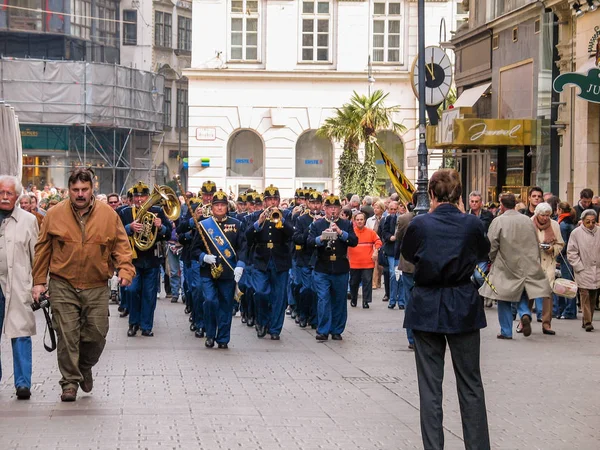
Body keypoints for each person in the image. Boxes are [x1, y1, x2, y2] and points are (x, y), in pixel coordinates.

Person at [401, 169, 490, 450]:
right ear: (460, 195)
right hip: (463, 303)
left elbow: (408, 255)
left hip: (426, 303)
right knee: (471, 384)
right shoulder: (471, 225)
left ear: (431, 195)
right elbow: (483, 254)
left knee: (430, 388)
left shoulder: (420, 224)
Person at [32, 168, 135, 402]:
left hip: (96, 284)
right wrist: (39, 282)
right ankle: (69, 382)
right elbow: (42, 251)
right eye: (75, 190)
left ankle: (84, 367)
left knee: (97, 335)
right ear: (69, 190)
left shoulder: (109, 215)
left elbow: (121, 245)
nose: (80, 194)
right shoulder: (54, 214)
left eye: (84, 190)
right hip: (63, 283)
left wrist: (125, 270)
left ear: (92, 190)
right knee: (67, 335)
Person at [480, 193, 552, 339]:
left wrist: (492, 258)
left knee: (503, 297)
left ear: (502, 205)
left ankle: (506, 331)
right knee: (522, 292)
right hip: (525, 263)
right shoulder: (527, 220)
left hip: (504, 263)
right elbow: (534, 242)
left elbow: (492, 244)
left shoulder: (498, 221)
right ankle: (524, 313)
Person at [0, 176, 39, 400]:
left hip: (17, 284)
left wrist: (40, 284)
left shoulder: (28, 220)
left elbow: (37, 256)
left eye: (9, 193)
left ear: (17, 196)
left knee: (21, 334)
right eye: (1, 192)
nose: (5, 197)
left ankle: (23, 383)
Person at [194, 190, 247, 348]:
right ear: (211, 207)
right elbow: (194, 249)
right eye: (216, 205)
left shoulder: (237, 224)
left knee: (225, 305)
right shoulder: (204, 224)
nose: (219, 208)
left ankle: (223, 338)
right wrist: (204, 257)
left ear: (227, 207)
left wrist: (240, 265)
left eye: (222, 205)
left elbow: (243, 247)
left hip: (228, 272)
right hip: (208, 272)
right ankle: (210, 334)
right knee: (210, 301)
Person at [119, 181, 172, 337]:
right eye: (137, 196)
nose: (140, 199)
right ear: (132, 197)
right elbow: (116, 232)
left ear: (149, 196)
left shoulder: (157, 211)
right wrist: (129, 228)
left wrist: (160, 226)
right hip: (133, 259)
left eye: (143, 196)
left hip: (152, 258)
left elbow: (168, 233)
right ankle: (133, 323)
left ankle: (146, 326)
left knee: (149, 294)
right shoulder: (125, 212)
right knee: (132, 290)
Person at [246, 185, 293, 340]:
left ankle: (275, 329)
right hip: (261, 259)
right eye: (269, 199)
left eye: (275, 199)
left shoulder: (286, 215)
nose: (272, 202)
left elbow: (292, 233)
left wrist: (282, 221)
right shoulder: (256, 216)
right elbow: (248, 236)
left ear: (279, 201)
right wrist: (258, 223)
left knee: (279, 296)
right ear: (264, 201)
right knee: (260, 292)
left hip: (280, 260)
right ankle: (261, 321)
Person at [308, 194, 358, 341]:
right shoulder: (317, 224)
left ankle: (337, 329)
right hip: (322, 267)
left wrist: (340, 233)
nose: (333, 211)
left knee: (339, 300)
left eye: (335, 208)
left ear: (340, 209)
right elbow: (310, 242)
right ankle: (323, 330)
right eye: (330, 208)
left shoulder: (346, 224)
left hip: (340, 267)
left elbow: (354, 241)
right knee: (323, 299)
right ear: (325, 209)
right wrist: (322, 238)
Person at [525, 202, 563, 334]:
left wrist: (552, 248)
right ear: (537, 214)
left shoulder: (555, 225)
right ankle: (525, 320)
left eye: (548, 215)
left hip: (548, 262)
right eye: (543, 215)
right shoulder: (529, 223)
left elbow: (560, 244)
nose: (545, 218)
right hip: (532, 262)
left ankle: (546, 324)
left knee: (547, 293)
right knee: (529, 292)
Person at [567, 209, 600, 332]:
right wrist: (579, 266)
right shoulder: (576, 233)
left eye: (593, 221)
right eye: (588, 222)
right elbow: (571, 252)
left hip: (597, 269)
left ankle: (587, 319)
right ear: (583, 221)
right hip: (583, 269)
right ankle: (587, 321)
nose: (591, 224)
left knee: (593, 295)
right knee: (584, 294)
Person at [348, 212, 381, 309]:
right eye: (357, 220)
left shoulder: (371, 232)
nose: (359, 221)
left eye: (361, 219)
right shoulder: (352, 233)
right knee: (354, 282)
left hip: (368, 263)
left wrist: (376, 251)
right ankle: (354, 299)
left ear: (364, 221)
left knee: (367, 282)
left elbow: (378, 241)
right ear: (354, 221)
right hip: (354, 263)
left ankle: (366, 301)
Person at [555, 202, 577, 319]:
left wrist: (558, 257)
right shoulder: (569, 222)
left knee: (567, 284)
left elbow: (563, 243)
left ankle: (569, 311)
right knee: (569, 283)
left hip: (565, 258)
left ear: (560, 210)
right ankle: (568, 310)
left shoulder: (563, 224)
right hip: (570, 256)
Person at [382, 201, 404, 309]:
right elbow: (384, 232)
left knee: (401, 276)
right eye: (391, 209)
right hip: (391, 250)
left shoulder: (402, 219)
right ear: (388, 209)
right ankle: (392, 300)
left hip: (400, 251)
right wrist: (390, 237)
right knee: (392, 275)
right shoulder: (387, 219)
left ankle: (401, 300)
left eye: (395, 209)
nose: (393, 211)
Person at [366, 200, 385, 290]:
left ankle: (378, 282)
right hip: (373, 243)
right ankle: (373, 283)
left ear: (382, 209)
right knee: (374, 262)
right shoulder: (370, 220)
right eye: (374, 208)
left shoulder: (385, 219)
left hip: (383, 242)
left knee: (380, 265)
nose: (375, 209)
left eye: (377, 208)